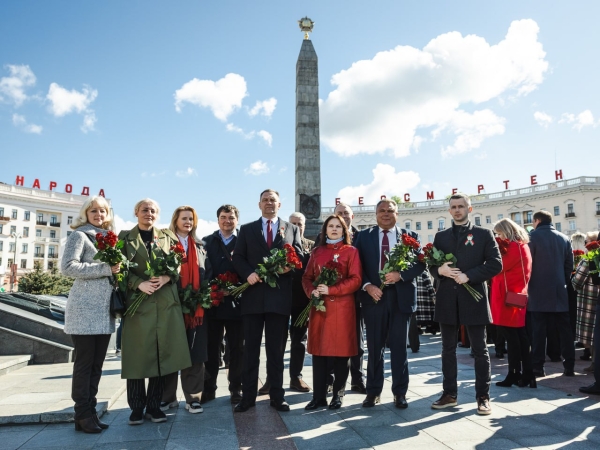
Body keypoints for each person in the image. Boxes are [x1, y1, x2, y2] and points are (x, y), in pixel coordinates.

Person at [118, 199, 191, 425]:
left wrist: (168, 276)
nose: (148, 213)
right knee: (136, 358)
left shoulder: (168, 237)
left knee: (162, 355)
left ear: (157, 214)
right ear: (136, 212)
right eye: (144, 210)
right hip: (138, 305)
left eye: (152, 210)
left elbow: (177, 264)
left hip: (164, 303)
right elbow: (118, 269)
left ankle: (154, 406)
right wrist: (137, 283)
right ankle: (136, 407)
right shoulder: (124, 238)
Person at [429, 193, 501, 415]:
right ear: (449, 211)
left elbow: (496, 264)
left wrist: (469, 276)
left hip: (474, 298)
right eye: (454, 207)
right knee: (447, 349)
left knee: (480, 350)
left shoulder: (483, 234)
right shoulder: (441, 237)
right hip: (447, 300)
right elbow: (432, 264)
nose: (457, 210)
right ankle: (449, 394)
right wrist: (439, 271)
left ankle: (483, 397)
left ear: (470, 209)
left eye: (461, 206)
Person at [232, 189, 304, 412]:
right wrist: (248, 274)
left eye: (273, 200)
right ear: (259, 204)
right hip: (252, 298)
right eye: (265, 200)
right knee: (250, 350)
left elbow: (299, 256)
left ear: (279, 205)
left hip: (279, 299)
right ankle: (248, 397)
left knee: (276, 351)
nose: (269, 203)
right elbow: (238, 257)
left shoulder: (291, 229)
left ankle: (277, 396)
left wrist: (287, 267)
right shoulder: (247, 229)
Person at [354, 199, 425, 409]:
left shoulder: (410, 237)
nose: (386, 214)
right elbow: (356, 266)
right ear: (375, 214)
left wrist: (400, 275)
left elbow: (421, 264)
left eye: (390, 210)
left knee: (399, 348)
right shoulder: (363, 236)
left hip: (400, 298)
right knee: (374, 347)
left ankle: (400, 393)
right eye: (381, 211)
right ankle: (373, 392)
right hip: (373, 298)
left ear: (397, 213)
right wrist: (367, 285)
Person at [61, 196, 120, 433]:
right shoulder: (80, 236)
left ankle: (90, 413)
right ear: (86, 213)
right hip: (84, 310)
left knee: (97, 365)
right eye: (93, 211)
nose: (98, 214)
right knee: (84, 365)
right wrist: (106, 268)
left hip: (104, 310)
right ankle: (82, 414)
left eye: (103, 211)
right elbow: (68, 267)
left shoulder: (108, 239)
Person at [302, 215, 362, 410]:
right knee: (319, 353)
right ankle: (318, 396)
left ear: (344, 230)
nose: (334, 229)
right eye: (331, 226)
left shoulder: (351, 251)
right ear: (325, 230)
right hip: (320, 308)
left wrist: (332, 289)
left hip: (342, 308)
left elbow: (355, 279)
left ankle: (338, 395)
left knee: (341, 353)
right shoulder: (317, 252)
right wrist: (312, 291)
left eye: (338, 226)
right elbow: (307, 278)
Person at [160, 206, 212, 414]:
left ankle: (193, 398)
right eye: (184, 218)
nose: (188, 222)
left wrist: (203, 293)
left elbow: (207, 272)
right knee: (170, 351)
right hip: (171, 306)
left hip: (196, 308)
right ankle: (167, 397)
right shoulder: (164, 243)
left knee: (195, 352)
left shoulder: (201, 246)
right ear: (176, 220)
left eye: (191, 219)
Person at [202, 204, 244, 404]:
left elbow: (249, 268)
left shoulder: (244, 240)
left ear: (237, 219)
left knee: (237, 349)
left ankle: (236, 388)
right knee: (211, 348)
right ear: (218, 219)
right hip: (214, 303)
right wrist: (214, 288)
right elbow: (203, 269)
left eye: (231, 217)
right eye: (223, 217)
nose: (227, 221)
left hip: (238, 303)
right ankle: (208, 388)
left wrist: (236, 288)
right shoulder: (207, 242)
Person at [527, 210, 575, 378]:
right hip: (559, 290)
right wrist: (562, 281)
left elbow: (527, 265)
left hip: (537, 290)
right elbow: (570, 265)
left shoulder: (531, 238)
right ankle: (569, 366)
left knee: (539, 330)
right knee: (565, 330)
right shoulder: (564, 238)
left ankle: (538, 367)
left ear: (537, 220)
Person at [489, 218, 533, 387]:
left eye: (499, 233)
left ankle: (515, 373)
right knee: (519, 337)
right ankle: (525, 373)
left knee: (512, 338)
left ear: (506, 231)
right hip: (514, 296)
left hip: (507, 298)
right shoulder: (522, 245)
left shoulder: (514, 247)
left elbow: (498, 267)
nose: (498, 237)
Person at [286, 212, 314, 393]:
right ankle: (271, 380)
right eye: (293, 223)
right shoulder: (282, 245)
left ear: (304, 225)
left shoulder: (312, 247)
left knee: (299, 341)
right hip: (281, 298)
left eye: (300, 223)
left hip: (302, 301)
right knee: (277, 341)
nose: (297, 226)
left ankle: (296, 377)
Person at [572, 232, 599, 372]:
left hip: (588, 302)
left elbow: (577, 282)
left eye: (587, 241)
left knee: (593, 336)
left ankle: (595, 365)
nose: (585, 244)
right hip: (595, 300)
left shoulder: (590, 258)